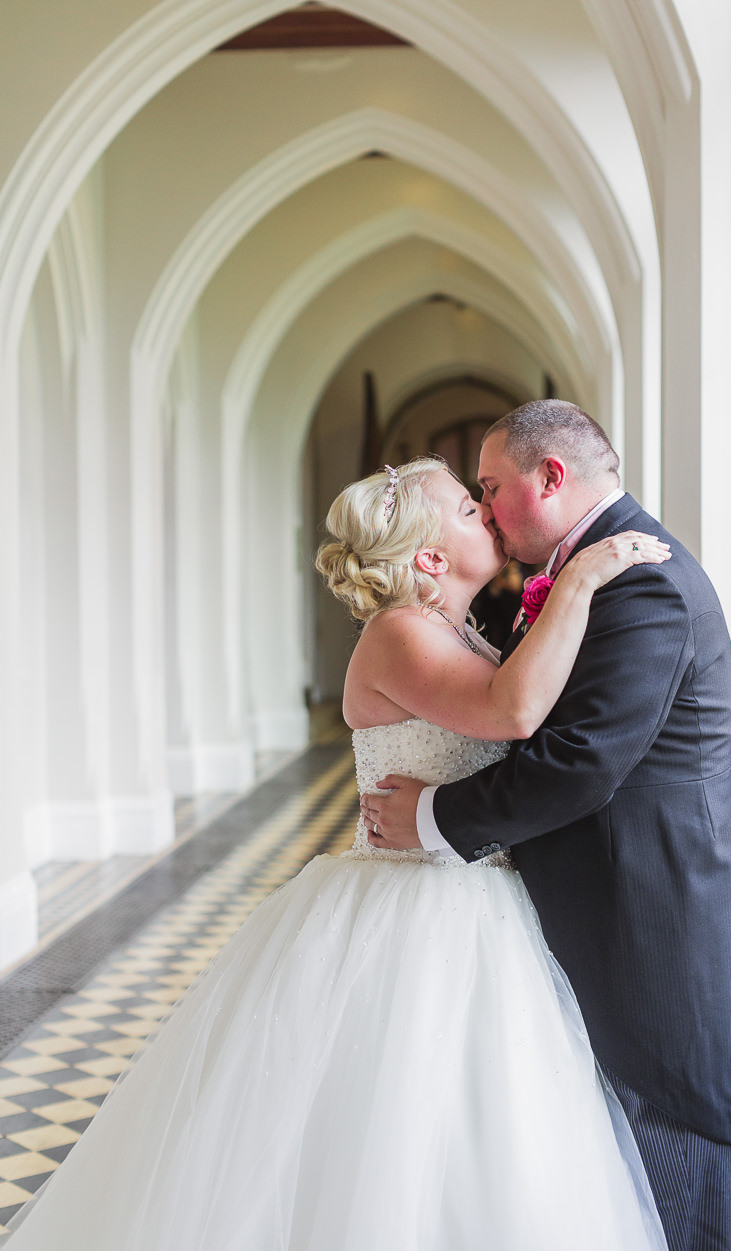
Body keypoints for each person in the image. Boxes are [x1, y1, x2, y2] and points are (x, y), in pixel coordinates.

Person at [3, 455, 672, 1251]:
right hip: (411, 911)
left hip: (477, 898)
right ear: (428, 557)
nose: (488, 514)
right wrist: (581, 580)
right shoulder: (397, 634)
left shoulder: (458, 628)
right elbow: (514, 709)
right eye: (468, 507)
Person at [361, 401, 731, 1251]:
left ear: (550, 477)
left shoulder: (639, 582)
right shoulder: (597, 573)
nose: (485, 508)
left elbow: (580, 763)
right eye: (472, 499)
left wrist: (427, 815)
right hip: (604, 941)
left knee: (674, 1221)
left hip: (657, 959)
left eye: (490, 488)